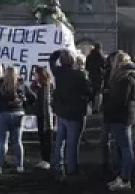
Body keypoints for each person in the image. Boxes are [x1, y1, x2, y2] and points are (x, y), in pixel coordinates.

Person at [49, 49, 91, 178]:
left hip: (61, 112)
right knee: (73, 143)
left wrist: (60, 51)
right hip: (75, 113)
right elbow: (89, 92)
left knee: (60, 142)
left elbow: (51, 59)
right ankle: (72, 168)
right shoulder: (79, 75)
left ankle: (59, 166)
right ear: (73, 60)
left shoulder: (58, 73)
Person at [103, 52, 135, 191]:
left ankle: (126, 179)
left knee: (126, 149)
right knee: (122, 148)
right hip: (118, 117)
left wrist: (108, 100)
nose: (114, 64)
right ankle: (122, 176)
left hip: (122, 118)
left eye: (117, 61)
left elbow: (121, 100)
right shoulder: (120, 78)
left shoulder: (126, 80)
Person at [0, 66, 27, 175]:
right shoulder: (21, 84)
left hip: (3, 113)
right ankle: (20, 166)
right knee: (18, 142)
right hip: (18, 113)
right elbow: (31, 97)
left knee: (2, 141)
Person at [29, 65, 54, 170]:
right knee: (43, 137)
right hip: (42, 114)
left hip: (45, 115)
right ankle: (45, 159)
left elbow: (43, 102)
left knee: (46, 138)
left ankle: (47, 160)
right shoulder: (40, 86)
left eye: (35, 73)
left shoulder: (44, 87)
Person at [86, 43, 106, 113]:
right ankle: (96, 108)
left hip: (91, 76)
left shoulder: (89, 56)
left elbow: (86, 67)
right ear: (100, 48)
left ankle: (91, 106)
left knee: (92, 92)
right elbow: (104, 67)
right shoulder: (101, 56)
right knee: (98, 92)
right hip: (99, 77)